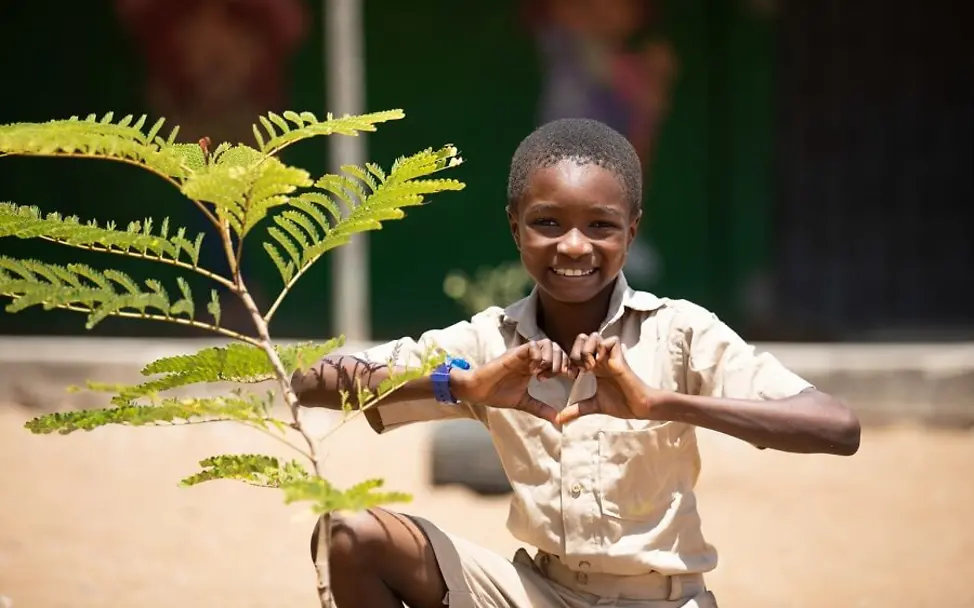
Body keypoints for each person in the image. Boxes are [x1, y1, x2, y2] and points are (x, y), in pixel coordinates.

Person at [292, 118, 861, 608]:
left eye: (600, 225)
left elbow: (838, 427)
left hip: (661, 598)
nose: (572, 246)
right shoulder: (490, 342)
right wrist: (459, 385)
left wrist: (658, 403)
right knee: (350, 534)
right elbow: (308, 382)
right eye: (547, 222)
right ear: (514, 226)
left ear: (632, 231)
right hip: (536, 592)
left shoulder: (679, 332)